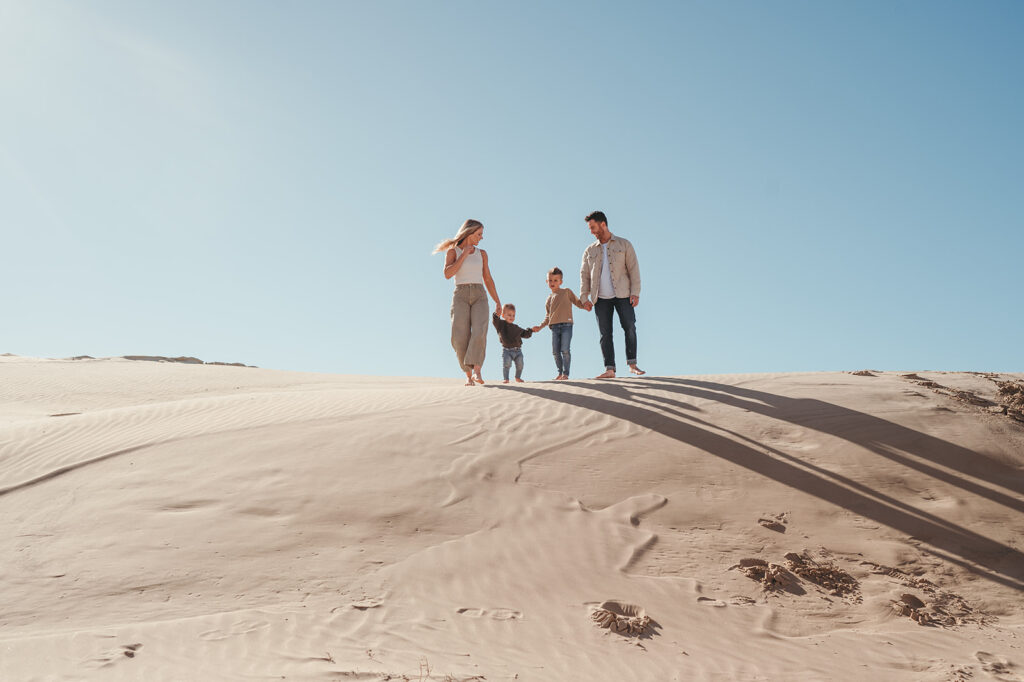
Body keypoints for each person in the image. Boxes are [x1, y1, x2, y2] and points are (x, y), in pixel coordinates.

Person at [434, 219, 502, 385]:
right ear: (469, 233)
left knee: (479, 330)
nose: (481, 238)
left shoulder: (482, 254)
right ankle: (468, 374)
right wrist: (464, 254)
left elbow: (487, 278)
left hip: (480, 294)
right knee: (459, 335)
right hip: (461, 295)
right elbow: (448, 274)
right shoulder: (453, 251)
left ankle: (477, 370)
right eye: (479, 234)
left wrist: (497, 301)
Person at [579, 210, 645, 378]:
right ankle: (610, 369)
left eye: (593, 227)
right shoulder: (589, 251)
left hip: (623, 294)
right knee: (605, 334)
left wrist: (635, 293)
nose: (591, 231)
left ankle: (632, 364)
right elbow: (584, 275)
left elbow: (634, 270)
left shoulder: (624, 245)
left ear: (603, 224)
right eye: (590, 229)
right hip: (600, 299)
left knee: (630, 327)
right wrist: (584, 297)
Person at [532, 267, 585, 380]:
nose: (552, 283)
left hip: (567, 325)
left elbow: (577, 302)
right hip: (554, 327)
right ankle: (560, 373)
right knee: (555, 352)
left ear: (560, 282)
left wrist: (585, 306)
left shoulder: (566, 291)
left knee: (565, 350)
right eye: (550, 280)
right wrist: (540, 327)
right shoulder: (549, 299)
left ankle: (566, 374)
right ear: (547, 282)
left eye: (555, 280)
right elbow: (548, 316)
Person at [491, 303, 533, 384]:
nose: (511, 317)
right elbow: (495, 320)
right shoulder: (501, 325)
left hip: (518, 351)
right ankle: (506, 379)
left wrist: (531, 330)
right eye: (509, 315)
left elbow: (525, 334)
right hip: (507, 351)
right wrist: (496, 314)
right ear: (503, 315)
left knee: (520, 365)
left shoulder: (516, 327)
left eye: (513, 315)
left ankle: (518, 377)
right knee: (507, 365)